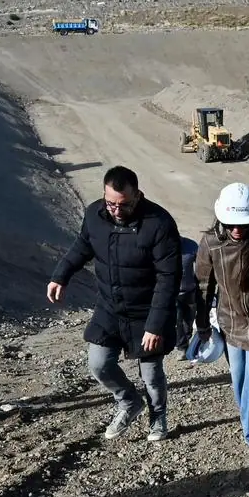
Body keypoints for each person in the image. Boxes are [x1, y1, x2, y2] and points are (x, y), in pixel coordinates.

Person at [47, 166, 182, 442]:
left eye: (124, 205)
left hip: (147, 312)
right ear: (103, 196)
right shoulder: (95, 215)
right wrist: (60, 276)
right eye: (111, 204)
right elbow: (81, 247)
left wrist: (155, 326)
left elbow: (169, 279)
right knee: (99, 364)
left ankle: (158, 417)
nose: (116, 211)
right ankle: (129, 401)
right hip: (110, 307)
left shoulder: (159, 223)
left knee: (152, 375)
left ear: (137, 195)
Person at [193, 182, 249, 448]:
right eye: (231, 224)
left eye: (242, 224)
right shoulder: (210, 243)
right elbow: (202, 287)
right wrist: (202, 327)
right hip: (229, 322)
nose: (236, 230)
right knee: (240, 379)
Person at [175, 235, 200, 360]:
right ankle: (182, 347)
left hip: (190, 290)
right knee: (177, 319)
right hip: (173, 292)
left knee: (188, 320)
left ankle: (187, 340)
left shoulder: (191, 245)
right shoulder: (163, 246)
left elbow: (202, 264)